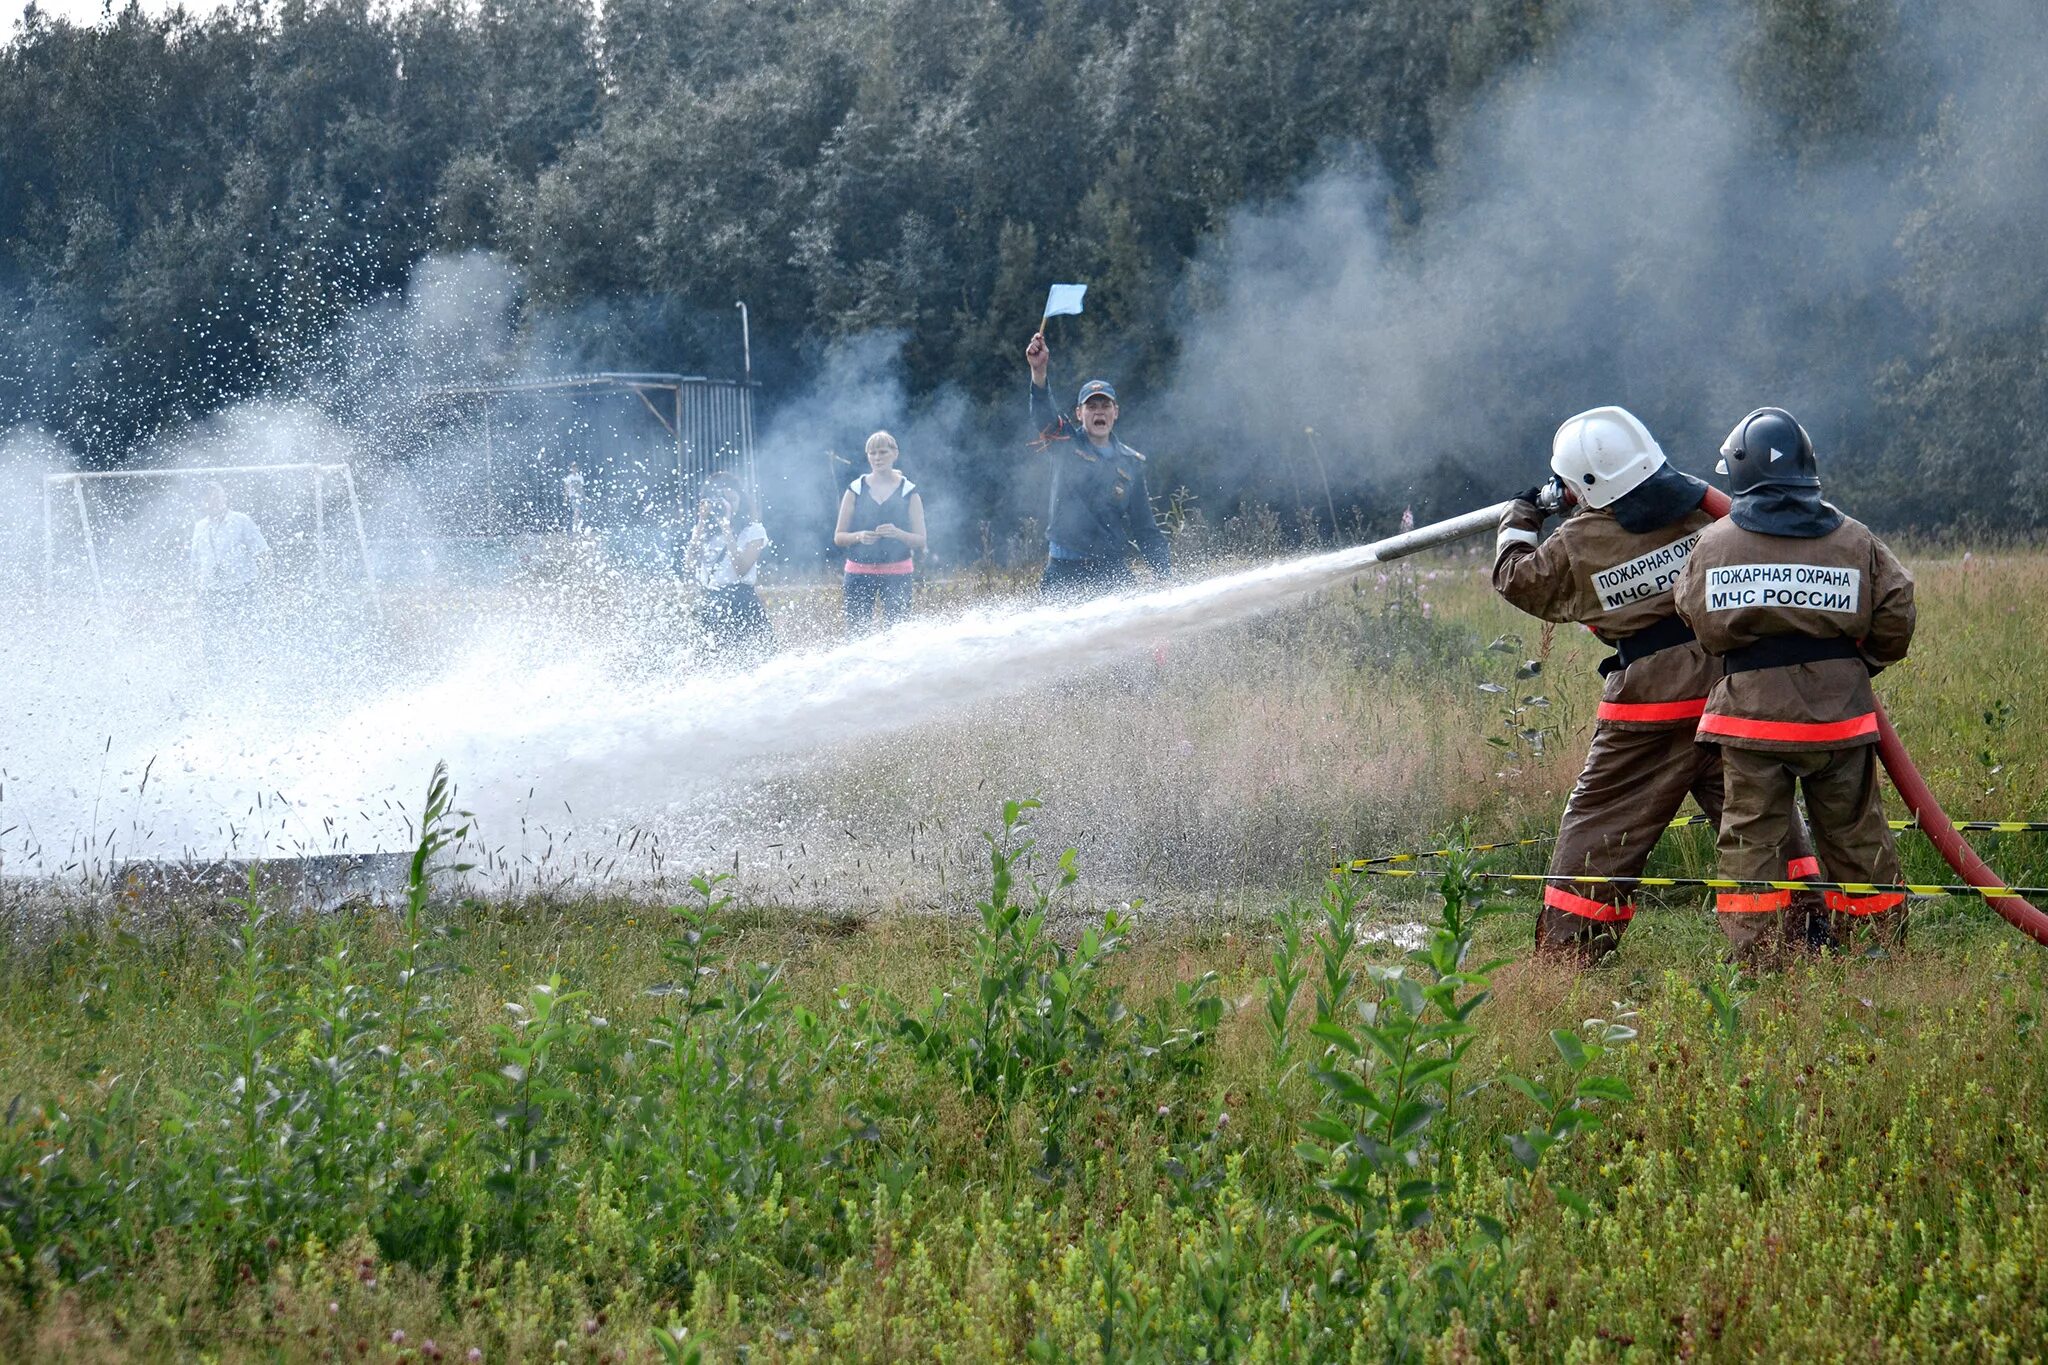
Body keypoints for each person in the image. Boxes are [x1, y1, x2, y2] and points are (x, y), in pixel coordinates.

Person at [1495, 407, 1824, 965]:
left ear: (1582, 485)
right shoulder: (1705, 513)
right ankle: (1805, 937)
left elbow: (1516, 578)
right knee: (1760, 819)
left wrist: (1520, 518)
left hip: (1650, 710)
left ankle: (1570, 956)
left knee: (1601, 827)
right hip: (1729, 692)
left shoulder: (1576, 542)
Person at [1675, 407, 1916, 954]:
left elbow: (1695, 617)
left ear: (1739, 471)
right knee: (1857, 835)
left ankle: (1756, 957)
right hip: (1840, 721)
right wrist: (1855, 668)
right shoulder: (1857, 539)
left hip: (1751, 723)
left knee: (1751, 841)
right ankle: (1878, 950)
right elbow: (1898, 609)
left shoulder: (1714, 545)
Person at [1023, 331, 1171, 597]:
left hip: (1111, 573)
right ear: (1080, 414)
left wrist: (1166, 578)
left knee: (1132, 636)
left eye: (1105, 405)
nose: (1099, 411)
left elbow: (1145, 529)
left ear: (1116, 412)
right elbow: (1044, 415)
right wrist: (1039, 373)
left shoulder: (1131, 463)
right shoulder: (1066, 443)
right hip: (1065, 572)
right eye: (1091, 406)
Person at [834, 430, 926, 631]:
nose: (877, 458)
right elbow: (839, 537)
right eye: (872, 453)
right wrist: (859, 536)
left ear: (895, 454)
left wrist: (898, 534)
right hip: (859, 573)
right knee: (857, 633)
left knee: (898, 634)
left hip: (897, 572)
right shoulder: (855, 490)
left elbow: (921, 540)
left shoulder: (908, 491)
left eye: (883, 452)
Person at [687, 471, 774, 660]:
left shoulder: (754, 531)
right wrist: (701, 521)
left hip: (741, 601)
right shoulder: (707, 533)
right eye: (722, 500)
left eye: (733, 499)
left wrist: (727, 528)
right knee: (711, 664)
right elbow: (690, 563)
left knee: (749, 661)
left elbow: (741, 569)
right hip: (711, 602)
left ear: (741, 500)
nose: (728, 505)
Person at [190, 482, 270, 665]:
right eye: (210, 498)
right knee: (211, 639)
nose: (215, 501)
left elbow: (263, 553)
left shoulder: (241, 521)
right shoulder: (200, 527)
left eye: (218, 497)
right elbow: (195, 563)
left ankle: (255, 670)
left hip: (242, 589)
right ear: (202, 502)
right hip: (211, 591)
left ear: (224, 498)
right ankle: (217, 677)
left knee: (250, 635)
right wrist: (196, 590)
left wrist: (263, 585)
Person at [563, 463, 586, 534]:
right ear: (571, 469)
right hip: (573, 496)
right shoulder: (569, 478)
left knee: (579, 512)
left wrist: (584, 496)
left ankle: (578, 525)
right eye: (573, 467)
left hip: (579, 496)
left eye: (576, 467)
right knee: (576, 510)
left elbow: (582, 488)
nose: (574, 469)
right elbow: (566, 488)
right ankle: (575, 526)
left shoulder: (580, 477)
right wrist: (565, 497)